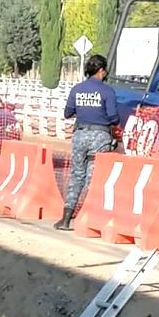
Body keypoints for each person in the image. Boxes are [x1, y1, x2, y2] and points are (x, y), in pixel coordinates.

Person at [56, 53, 119, 231]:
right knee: (95, 178)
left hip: (80, 135)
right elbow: (114, 117)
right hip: (100, 136)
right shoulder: (107, 91)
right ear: (101, 71)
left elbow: (67, 113)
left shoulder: (77, 89)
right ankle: (90, 219)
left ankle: (66, 219)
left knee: (77, 176)